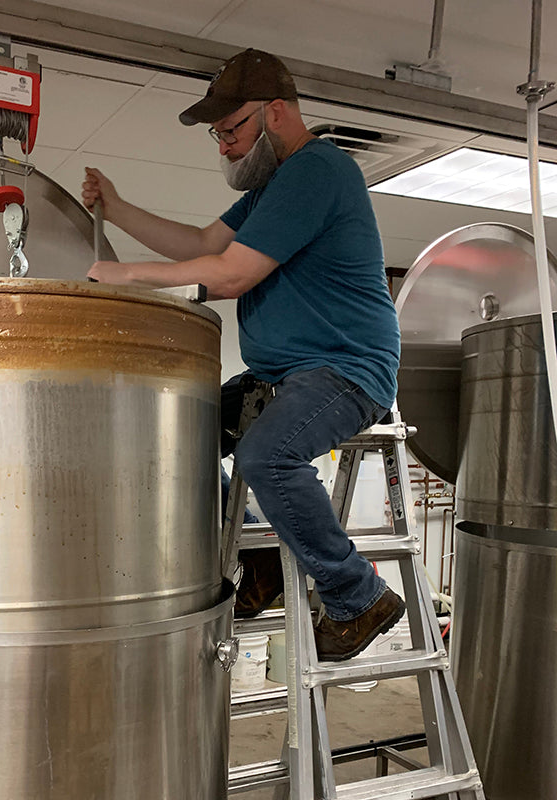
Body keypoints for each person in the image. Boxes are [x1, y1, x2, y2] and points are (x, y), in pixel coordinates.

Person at [81, 48, 403, 662]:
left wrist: (128, 275)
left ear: (275, 112)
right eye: (218, 135)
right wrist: (115, 209)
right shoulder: (268, 192)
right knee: (176, 433)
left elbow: (230, 274)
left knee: (268, 456)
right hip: (286, 373)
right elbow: (202, 242)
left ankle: (358, 594)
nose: (225, 147)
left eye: (231, 130)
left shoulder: (319, 169)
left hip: (346, 368)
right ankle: (261, 562)